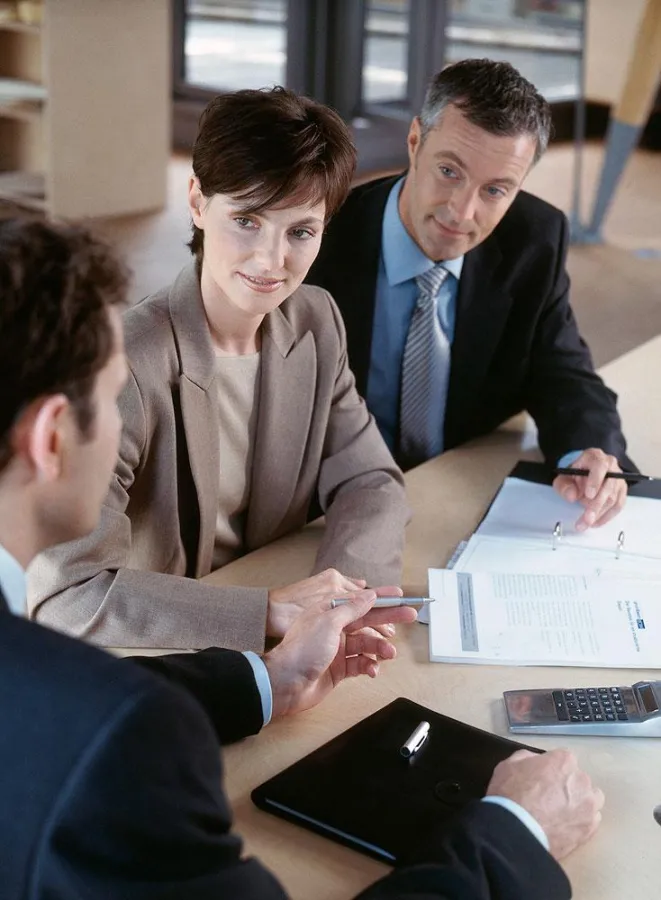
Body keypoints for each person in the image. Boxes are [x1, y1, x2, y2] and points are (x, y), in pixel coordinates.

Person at [0, 218, 604, 900]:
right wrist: (513, 832)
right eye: (112, 398)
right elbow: (85, 726)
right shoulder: (118, 740)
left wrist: (261, 684)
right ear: (51, 437)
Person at [27, 87, 410, 650]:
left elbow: (371, 479)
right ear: (199, 202)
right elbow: (67, 592)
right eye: (248, 219)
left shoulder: (315, 321)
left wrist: (346, 601)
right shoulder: (123, 365)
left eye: (301, 231)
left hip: (279, 626)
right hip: (162, 648)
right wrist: (269, 612)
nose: (271, 260)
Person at [307, 58, 632, 533]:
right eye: (449, 171)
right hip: (330, 502)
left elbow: (561, 369)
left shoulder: (535, 237)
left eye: (496, 190)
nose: (462, 212)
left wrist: (584, 450)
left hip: (459, 488)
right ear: (415, 142)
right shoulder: (322, 238)